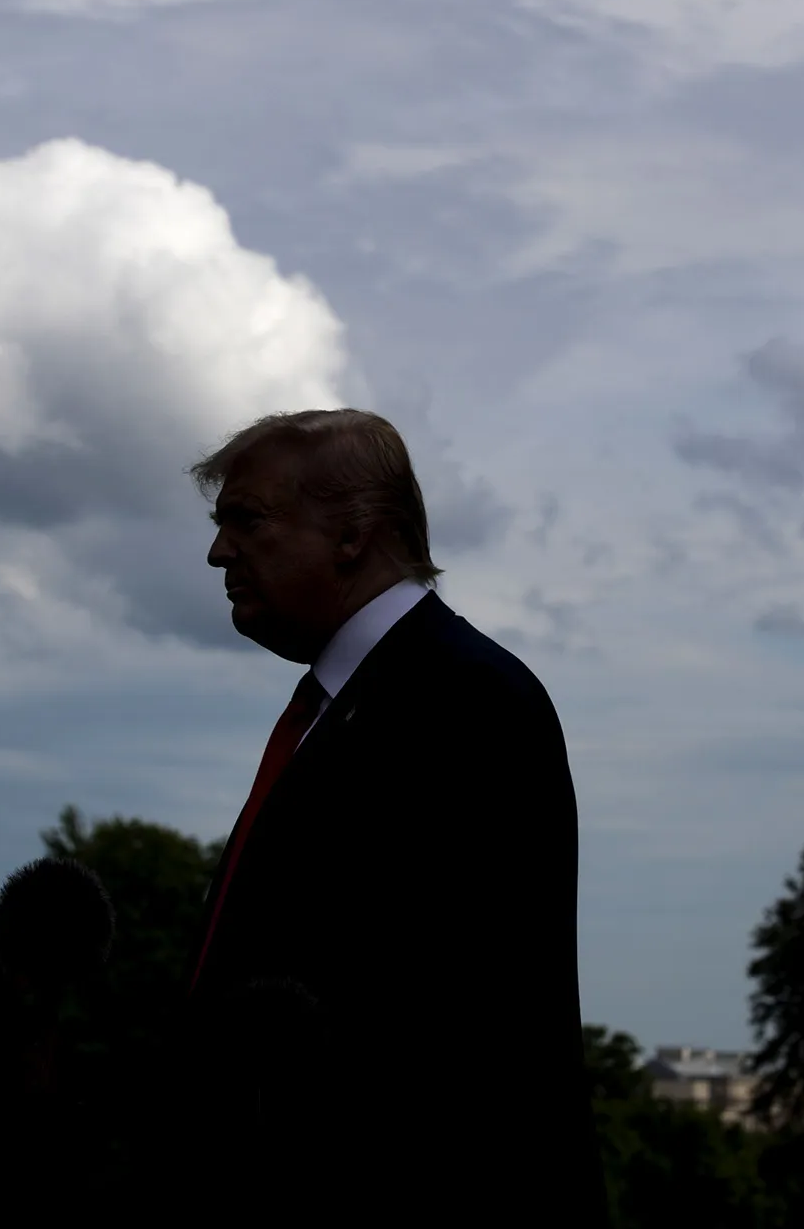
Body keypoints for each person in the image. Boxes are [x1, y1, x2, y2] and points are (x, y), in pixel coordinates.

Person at [154, 408, 610, 1226]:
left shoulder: (465, 702)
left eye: (246, 520)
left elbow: (458, 1037)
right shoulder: (359, 702)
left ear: (356, 533)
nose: (219, 552)